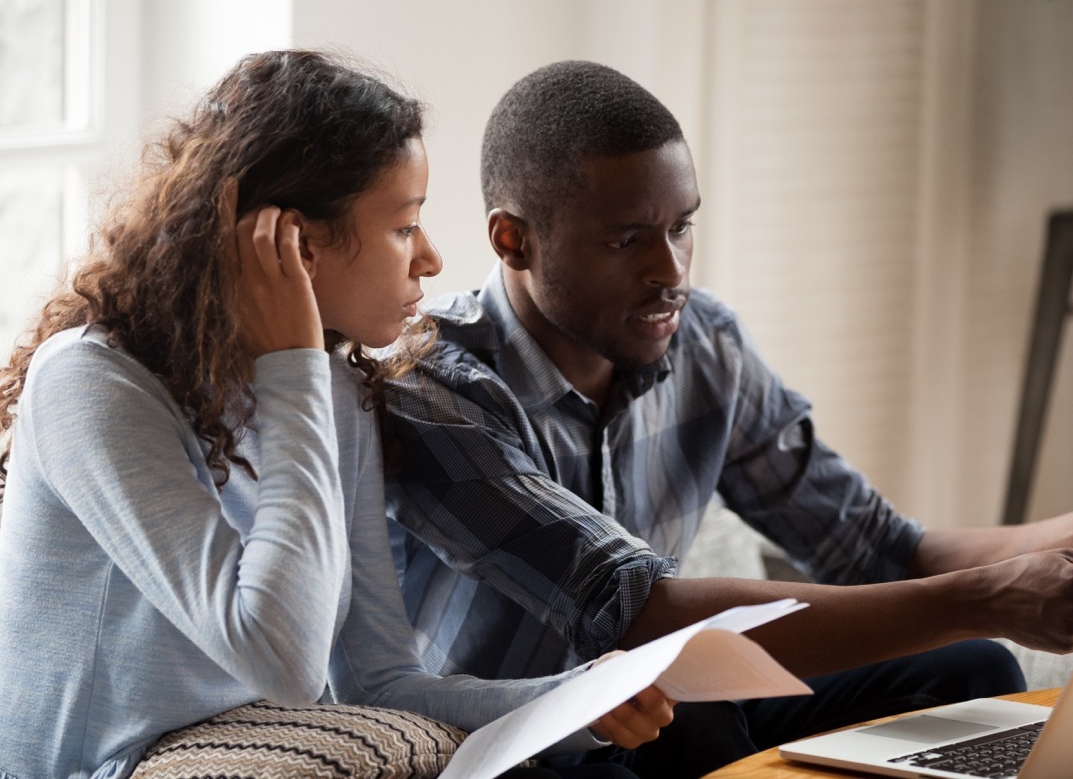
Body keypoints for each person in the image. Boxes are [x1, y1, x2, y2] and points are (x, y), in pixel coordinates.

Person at [380, 60, 1073, 777]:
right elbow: (639, 615)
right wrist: (990, 596)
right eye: (628, 240)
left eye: (681, 226)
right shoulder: (431, 385)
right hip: (519, 744)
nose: (670, 271)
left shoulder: (706, 346)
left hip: (663, 706)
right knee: (675, 735)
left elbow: (879, 549)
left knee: (969, 674)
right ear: (513, 240)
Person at [0, 51, 672, 779]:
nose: (432, 259)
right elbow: (282, 660)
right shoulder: (90, 383)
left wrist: (575, 700)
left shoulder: (335, 396)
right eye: (404, 226)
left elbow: (379, 684)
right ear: (296, 243)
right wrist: (293, 372)